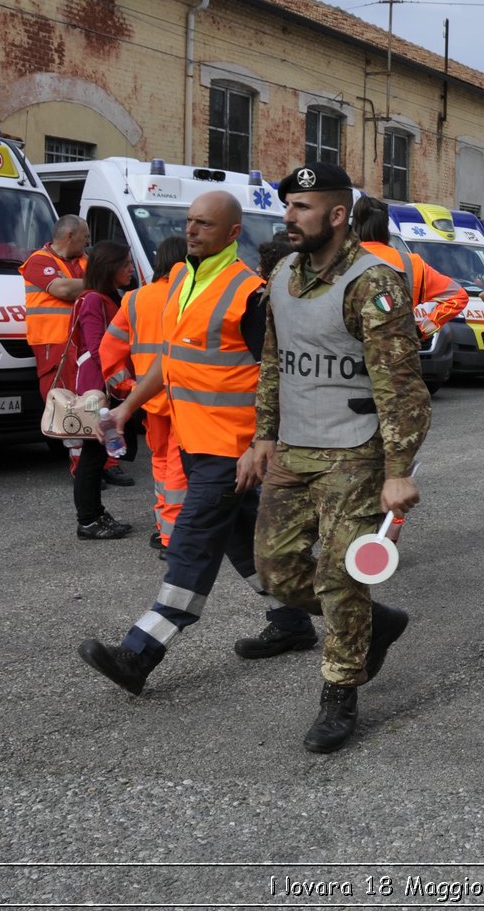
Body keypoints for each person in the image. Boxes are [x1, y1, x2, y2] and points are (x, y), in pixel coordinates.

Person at [79, 190, 317, 697]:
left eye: (204, 224)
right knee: (243, 541)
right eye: (189, 222)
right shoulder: (185, 280)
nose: (191, 230)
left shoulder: (249, 293)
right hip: (193, 440)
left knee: (189, 545)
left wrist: (262, 442)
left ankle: (139, 653)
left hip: (231, 450)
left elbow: (279, 377)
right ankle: (298, 622)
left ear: (232, 234)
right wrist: (126, 407)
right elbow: (170, 359)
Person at [244, 163, 428, 754]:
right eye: (288, 207)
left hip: (356, 450)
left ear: (338, 214)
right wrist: (263, 434)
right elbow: (275, 361)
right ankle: (380, 622)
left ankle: (340, 694)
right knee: (274, 570)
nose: (288, 218)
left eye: (302, 208)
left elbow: (402, 386)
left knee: (341, 573)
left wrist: (398, 471)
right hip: (294, 448)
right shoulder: (282, 275)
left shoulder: (373, 283)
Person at [23, 215, 131, 487]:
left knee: (97, 402)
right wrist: (99, 281)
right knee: (69, 406)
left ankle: (107, 463)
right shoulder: (39, 260)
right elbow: (61, 288)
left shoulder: (83, 261)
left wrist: (89, 282)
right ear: (69, 236)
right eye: (84, 237)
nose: (88, 242)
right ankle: (81, 467)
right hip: (54, 344)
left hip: (84, 344)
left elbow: (78, 289)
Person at [100, 235, 189, 552]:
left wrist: (129, 389)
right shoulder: (190, 297)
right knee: (179, 468)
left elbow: (108, 350)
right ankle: (173, 535)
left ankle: (164, 528)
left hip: (149, 399)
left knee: (162, 464)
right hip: (185, 396)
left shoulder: (135, 299)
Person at [68, 241, 135, 541]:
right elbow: (98, 349)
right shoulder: (94, 300)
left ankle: (94, 515)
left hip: (104, 383)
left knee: (96, 454)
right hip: (98, 386)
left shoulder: (107, 297)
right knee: (93, 455)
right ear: (110, 267)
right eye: (126, 264)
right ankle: (89, 520)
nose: (131, 268)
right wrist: (117, 383)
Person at [352, 196, 469, 343]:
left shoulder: (339, 259)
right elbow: (458, 296)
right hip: (397, 354)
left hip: (347, 355)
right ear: (385, 226)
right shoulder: (411, 263)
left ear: (355, 224)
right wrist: (422, 330)